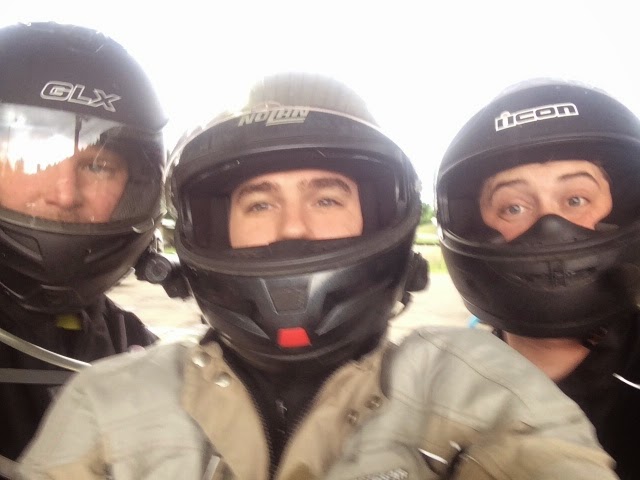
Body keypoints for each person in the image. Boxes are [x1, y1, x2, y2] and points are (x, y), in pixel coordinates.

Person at [16, 73, 618, 479]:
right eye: (259, 203)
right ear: (217, 230)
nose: (293, 228)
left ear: (376, 219)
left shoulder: (468, 381)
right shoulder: (110, 398)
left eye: (327, 198)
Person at [436, 78, 640, 479]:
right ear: (478, 228)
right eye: (513, 207)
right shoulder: (441, 387)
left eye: (576, 199)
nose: (551, 227)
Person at [0, 21, 166, 475]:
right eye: (35, 156)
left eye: (98, 165)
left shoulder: (140, 353)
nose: (64, 193)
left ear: (133, 187)